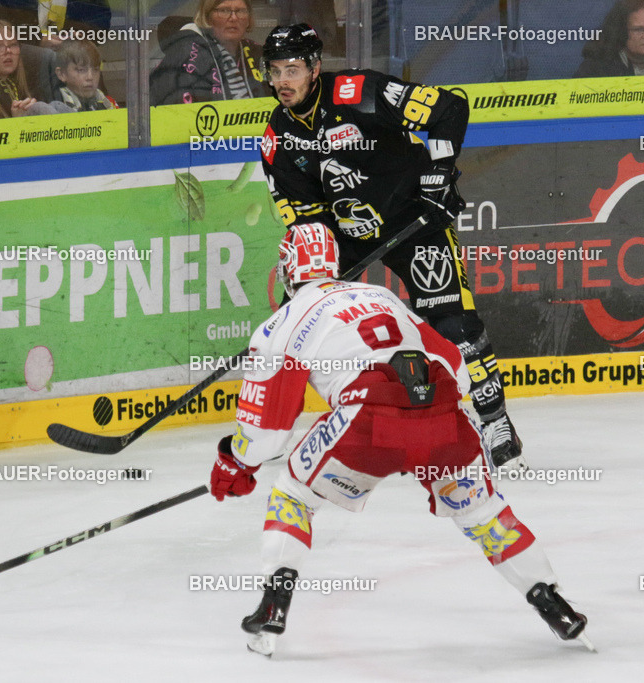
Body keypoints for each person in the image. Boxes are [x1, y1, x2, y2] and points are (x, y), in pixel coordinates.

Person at [209, 223, 592, 657]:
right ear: (333, 264)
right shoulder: (382, 297)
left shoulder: (282, 323)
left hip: (367, 424)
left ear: (286, 270)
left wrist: (235, 462)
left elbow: (266, 435)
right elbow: (457, 369)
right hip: (443, 416)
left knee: (294, 496)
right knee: (485, 515)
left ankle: (274, 604)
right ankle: (553, 603)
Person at [257, 24, 524, 471]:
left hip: (413, 219)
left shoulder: (357, 92)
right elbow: (304, 216)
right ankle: (273, 429)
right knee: (294, 327)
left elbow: (448, 109)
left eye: (293, 69)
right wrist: (317, 279)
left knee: (455, 324)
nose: (283, 81)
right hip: (345, 236)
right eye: (275, 71)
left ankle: (495, 418)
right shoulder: (278, 139)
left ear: (315, 69)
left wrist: (438, 176)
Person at [149, 0, 267, 105]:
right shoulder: (187, 53)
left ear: (249, 19)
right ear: (207, 17)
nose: (234, 18)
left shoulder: (256, 51)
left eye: (241, 11)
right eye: (224, 10)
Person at [53, 39, 117, 112]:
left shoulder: (103, 99)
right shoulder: (56, 105)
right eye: (81, 70)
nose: (90, 77)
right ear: (61, 74)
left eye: (95, 70)